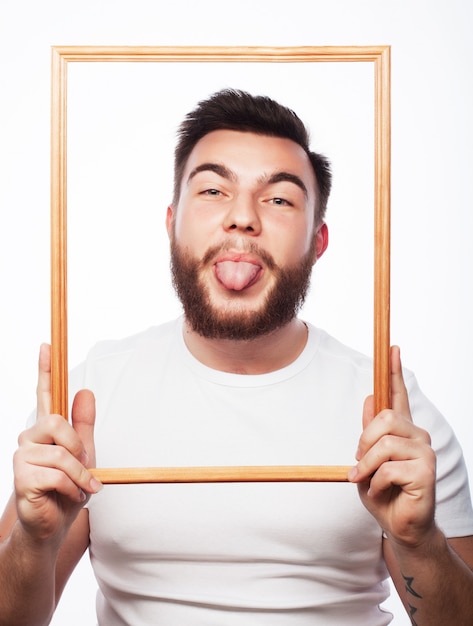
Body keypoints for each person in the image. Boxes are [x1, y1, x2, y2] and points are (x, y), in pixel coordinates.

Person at [1, 89, 472, 626]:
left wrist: (419, 540)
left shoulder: (394, 416)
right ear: (172, 221)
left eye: (279, 199)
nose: (242, 218)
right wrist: (35, 539)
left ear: (318, 241)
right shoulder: (89, 395)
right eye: (213, 189)